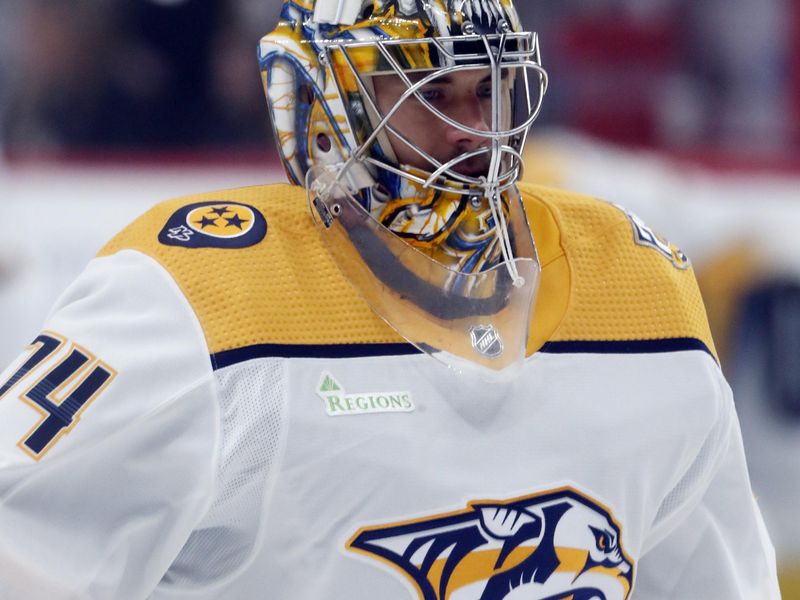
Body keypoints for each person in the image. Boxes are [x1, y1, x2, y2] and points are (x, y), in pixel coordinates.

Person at [0, 0, 781, 598]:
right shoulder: (192, 302)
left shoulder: (639, 292)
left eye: (490, 90)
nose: (476, 132)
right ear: (323, 100)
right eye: (434, 92)